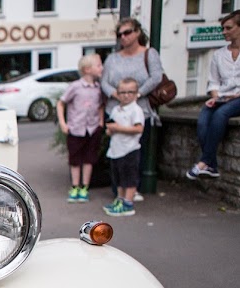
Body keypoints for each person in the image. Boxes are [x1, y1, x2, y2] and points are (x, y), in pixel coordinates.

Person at [100, 17, 162, 202]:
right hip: (115, 109)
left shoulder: (149, 54)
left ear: (137, 33)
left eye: (127, 32)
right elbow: (104, 82)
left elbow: (156, 77)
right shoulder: (113, 58)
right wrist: (116, 94)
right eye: (119, 34)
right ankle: (118, 192)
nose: (123, 37)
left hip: (139, 108)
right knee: (116, 153)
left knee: (135, 154)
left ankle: (132, 192)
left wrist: (137, 94)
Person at [186, 10, 240, 180]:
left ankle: (204, 162)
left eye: (228, 28)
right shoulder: (219, 55)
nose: (224, 32)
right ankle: (212, 165)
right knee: (203, 119)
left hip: (239, 97)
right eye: (222, 28)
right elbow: (214, 81)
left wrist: (235, 96)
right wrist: (216, 97)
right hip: (224, 96)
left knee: (221, 114)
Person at [57, 54, 105, 203]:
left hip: (92, 128)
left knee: (89, 159)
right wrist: (63, 123)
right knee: (75, 159)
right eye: (98, 65)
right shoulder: (75, 87)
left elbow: (100, 105)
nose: (101, 68)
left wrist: (101, 122)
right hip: (76, 128)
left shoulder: (98, 88)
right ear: (87, 69)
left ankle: (85, 187)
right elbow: (61, 103)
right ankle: (75, 186)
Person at [103, 78, 145, 217]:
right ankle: (120, 199)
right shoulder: (116, 109)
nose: (126, 95)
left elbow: (138, 129)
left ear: (136, 93)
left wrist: (118, 128)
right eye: (122, 92)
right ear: (118, 93)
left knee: (129, 178)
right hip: (116, 149)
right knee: (119, 178)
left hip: (130, 149)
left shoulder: (136, 110)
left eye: (130, 92)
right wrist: (110, 130)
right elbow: (111, 126)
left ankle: (128, 203)